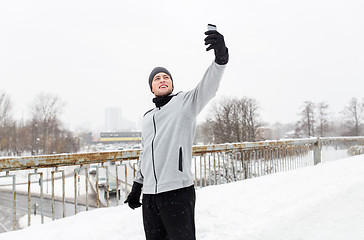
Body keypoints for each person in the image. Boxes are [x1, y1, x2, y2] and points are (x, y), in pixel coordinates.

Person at [124, 27, 229, 240]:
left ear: (171, 83)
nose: (162, 80)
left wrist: (221, 57)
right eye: (157, 78)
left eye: (166, 77)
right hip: (151, 197)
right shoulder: (147, 117)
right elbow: (145, 153)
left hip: (177, 192)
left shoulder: (184, 103)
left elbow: (207, 88)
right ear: (151, 88)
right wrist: (138, 186)